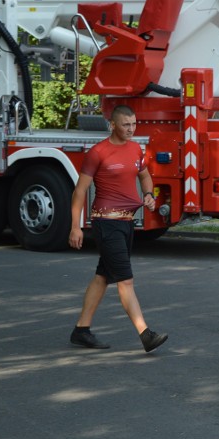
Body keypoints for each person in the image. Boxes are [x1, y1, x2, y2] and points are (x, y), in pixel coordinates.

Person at [68, 104, 168, 353]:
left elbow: (144, 175)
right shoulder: (98, 152)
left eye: (134, 124)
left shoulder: (136, 148)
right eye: (126, 124)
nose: (131, 129)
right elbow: (80, 191)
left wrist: (148, 194)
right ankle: (146, 334)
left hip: (127, 224)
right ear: (112, 125)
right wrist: (75, 227)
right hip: (106, 223)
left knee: (104, 275)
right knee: (126, 280)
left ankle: (81, 330)